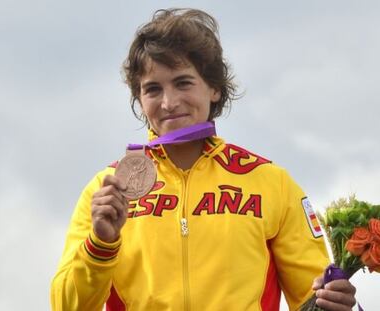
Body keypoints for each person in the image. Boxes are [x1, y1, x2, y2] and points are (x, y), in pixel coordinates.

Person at [51, 8, 357, 311]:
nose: (169, 103)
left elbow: (313, 298)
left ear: (214, 88)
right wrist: (101, 243)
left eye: (183, 83)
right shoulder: (106, 191)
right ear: (139, 99)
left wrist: (336, 302)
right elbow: (66, 306)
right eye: (153, 89)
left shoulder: (271, 183)